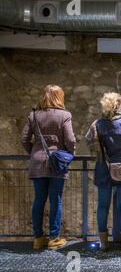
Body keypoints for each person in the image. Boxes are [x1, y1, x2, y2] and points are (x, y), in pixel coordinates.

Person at [21, 85, 76, 250]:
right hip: (57, 164)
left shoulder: (34, 115)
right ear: (59, 97)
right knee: (55, 200)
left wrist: (35, 154)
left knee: (39, 200)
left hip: (37, 163)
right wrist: (69, 155)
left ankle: (38, 238)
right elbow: (71, 140)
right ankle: (54, 238)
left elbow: (24, 139)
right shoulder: (64, 115)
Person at [85, 92, 121, 251]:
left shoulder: (97, 125)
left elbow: (89, 142)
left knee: (102, 206)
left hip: (103, 167)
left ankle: (103, 242)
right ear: (118, 106)